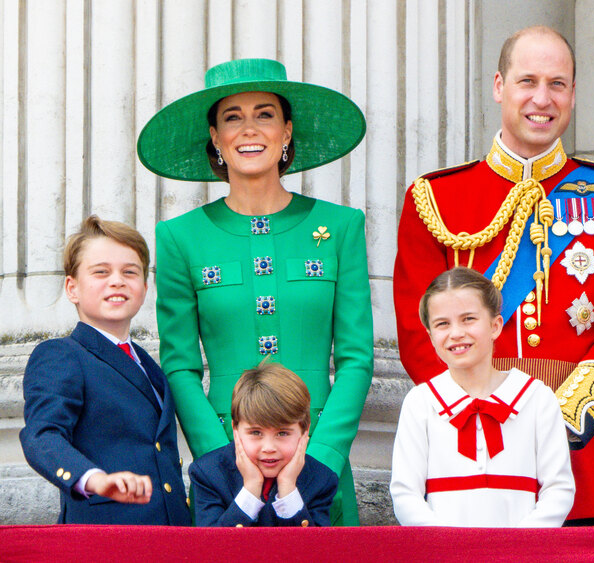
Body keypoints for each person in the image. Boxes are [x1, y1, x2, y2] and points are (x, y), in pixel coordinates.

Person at [393, 26, 594, 525]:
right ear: (499, 86)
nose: (542, 99)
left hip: (576, 446)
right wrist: (471, 409)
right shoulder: (435, 198)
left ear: (574, 94)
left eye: (558, 84)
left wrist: (562, 415)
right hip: (465, 444)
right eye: (527, 81)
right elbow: (415, 327)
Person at [137, 58, 373, 525]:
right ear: (215, 136)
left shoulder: (341, 226)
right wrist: (222, 458)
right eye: (232, 117)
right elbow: (180, 365)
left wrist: (322, 454)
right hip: (226, 463)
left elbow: (356, 358)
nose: (250, 129)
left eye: (265, 114)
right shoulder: (179, 237)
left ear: (287, 131)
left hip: (317, 450)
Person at [20, 216, 190, 525]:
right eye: (101, 272)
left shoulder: (147, 363)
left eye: (130, 272)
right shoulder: (62, 355)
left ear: (144, 286)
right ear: (72, 288)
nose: (117, 280)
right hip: (104, 537)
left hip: (170, 536)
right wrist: (93, 478)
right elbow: (42, 434)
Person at [390, 267, 574, 527]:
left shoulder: (537, 398)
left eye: (468, 319)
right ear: (431, 337)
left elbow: (559, 489)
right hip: (445, 556)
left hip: (522, 555)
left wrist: (518, 548)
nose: (456, 333)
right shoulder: (421, 403)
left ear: (495, 325)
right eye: (443, 323)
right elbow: (405, 494)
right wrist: (448, 547)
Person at [189, 361, 338, 527]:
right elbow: (212, 548)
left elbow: (314, 550)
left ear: (304, 432)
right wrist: (251, 489)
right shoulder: (208, 473)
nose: (268, 448)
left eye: (282, 433)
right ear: (235, 429)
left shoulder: (321, 479)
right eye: (256, 433)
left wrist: (288, 489)